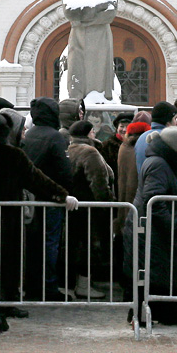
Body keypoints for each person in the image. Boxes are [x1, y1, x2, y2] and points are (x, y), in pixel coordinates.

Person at [0, 113, 73, 333]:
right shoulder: (13, 155)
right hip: (6, 219)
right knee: (5, 267)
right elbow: (36, 179)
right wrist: (61, 194)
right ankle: (0, 315)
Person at [127, 125, 177, 326]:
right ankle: (147, 315)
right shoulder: (159, 164)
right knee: (150, 271)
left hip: (153, 227)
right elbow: (153, 199)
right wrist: (171, 224)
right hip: (151, 227)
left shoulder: (162, 161)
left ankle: (160, 312)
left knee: (155, 271)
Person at [23, 97, 73, 300]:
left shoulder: (30, 134)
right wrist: (66, 191)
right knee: (50, 243)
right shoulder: (55, 137)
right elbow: (64, 170)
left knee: (33, 244)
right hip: (51, 198)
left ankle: (32, 287)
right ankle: (49, 287)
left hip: (31, 198)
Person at [66, 119, 114, 299]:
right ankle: (83, 284)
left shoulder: (70, 150)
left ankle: (74, 283)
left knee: (76, 244)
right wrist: (108, 203)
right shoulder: (90, 152)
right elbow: (98, 181)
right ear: (89, 133)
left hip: (75, 205)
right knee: (88, 246)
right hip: (90, 206)